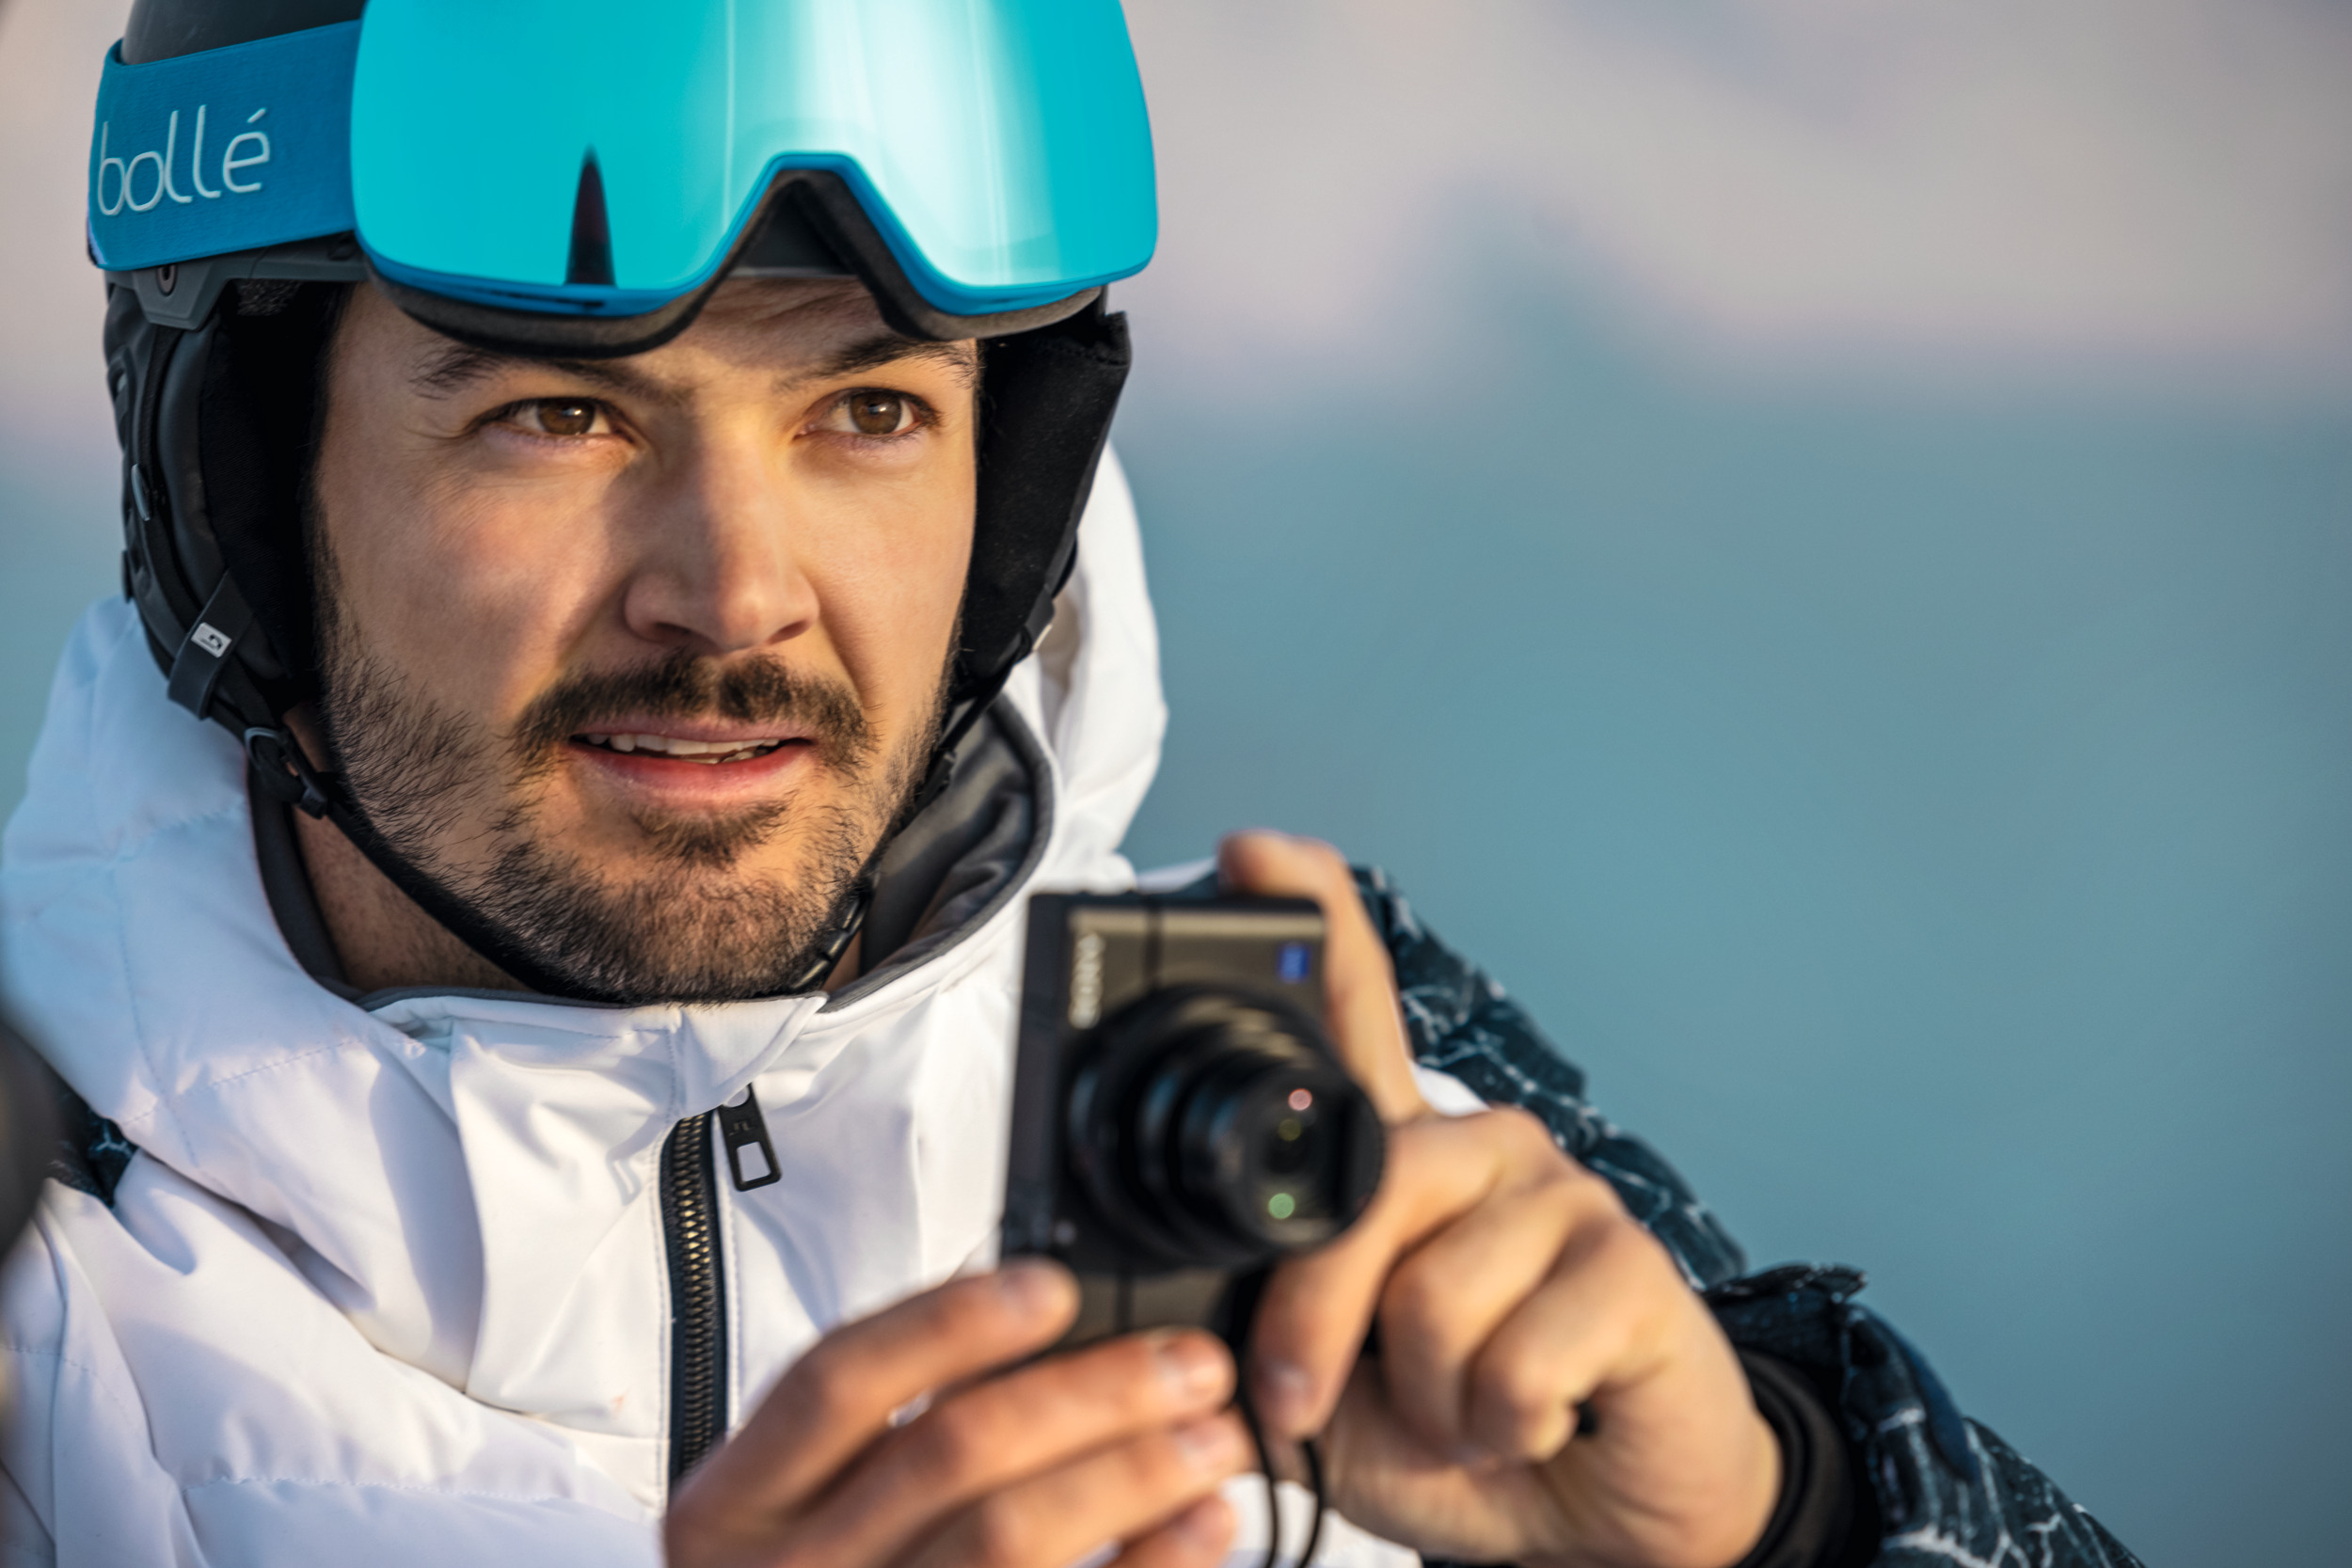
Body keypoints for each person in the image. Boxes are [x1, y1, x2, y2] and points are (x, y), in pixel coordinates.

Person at [0, 2, 2141, 1565]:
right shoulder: (38, 1266)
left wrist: (1787, 1519)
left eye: (865, 414)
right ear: (239, 497)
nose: (737, 597)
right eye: (557, 418)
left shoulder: (1301, 1077)